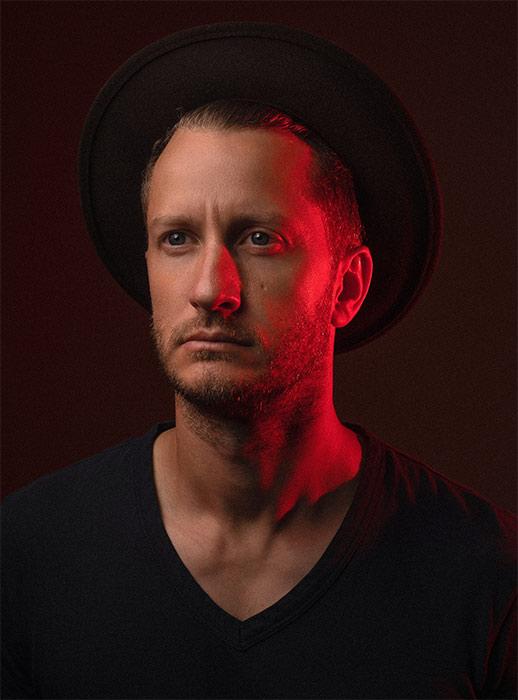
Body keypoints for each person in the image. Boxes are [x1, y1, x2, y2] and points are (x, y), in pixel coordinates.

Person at [2, 23, 516, 700]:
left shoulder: (486, 574)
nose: (211, 288)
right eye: (178, 238)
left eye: (259, 238)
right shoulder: (27, 555)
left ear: (348, 287)